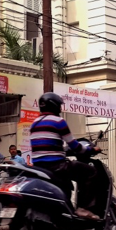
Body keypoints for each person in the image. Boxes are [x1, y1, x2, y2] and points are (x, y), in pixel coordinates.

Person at [29, 92, 100, 220]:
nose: (60, 109)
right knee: (91, 172)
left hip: (38, 166)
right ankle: (83, 208)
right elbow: (75, 146)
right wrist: (91, 149)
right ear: (54, 105)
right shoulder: (59, 122)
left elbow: (46, 144)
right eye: (59, 106)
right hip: (56, 165)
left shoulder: (34, 123)